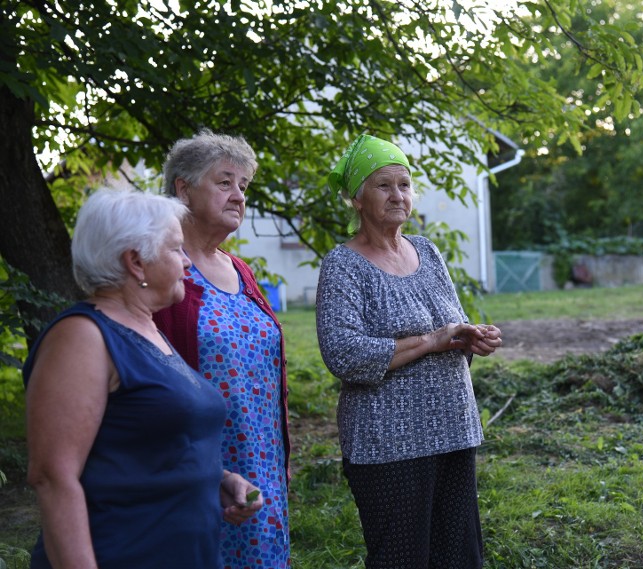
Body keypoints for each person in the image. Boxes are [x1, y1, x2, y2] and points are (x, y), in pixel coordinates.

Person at [24, 188, 262, 569]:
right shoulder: (83, 337)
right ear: (136, 262)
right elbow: (53, 477)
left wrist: (220, 479)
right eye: (175, 249)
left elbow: (146, 442)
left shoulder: (147, 330)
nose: (187, 262)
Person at [315, 133, 503, 569]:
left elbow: (449, 327)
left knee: (459, 557)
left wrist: (470, 336)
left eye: (404, 185)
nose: (398, 195)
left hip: (454, 429)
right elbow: (344, 353)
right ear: (356, 199)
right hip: (388, 444)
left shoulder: (428, 251)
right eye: (383, 185)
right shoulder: (343, 265)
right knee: (402, 559)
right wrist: (432, 342)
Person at [153, 129, 291, 569]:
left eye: (244, 187)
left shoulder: (241, 271)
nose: (238, 196)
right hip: (198, 465)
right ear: (183, 188)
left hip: (262, 458)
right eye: (225, 182)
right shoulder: (161, 271)